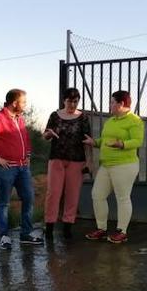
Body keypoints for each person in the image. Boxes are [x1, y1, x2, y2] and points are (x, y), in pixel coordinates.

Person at [0, 88, 43, 250]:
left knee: (28, 197)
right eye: (24, 102)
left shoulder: (19, 118)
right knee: (4, 203)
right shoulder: (0, 118)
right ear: (14, 103)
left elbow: (25, 137)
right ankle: (4, 236)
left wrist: (27, 154)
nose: (26, 105)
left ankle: (26, 234)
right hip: (5, 168)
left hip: (22, 167)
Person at [82, 90, 144, 243]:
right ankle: (101, 229)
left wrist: (122, 144)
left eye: (112, 102)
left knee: (122, 198)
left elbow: (137, 141)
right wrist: (94, 142)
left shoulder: (134, 120)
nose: (110, 105)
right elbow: (105, 139)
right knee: (97, 195)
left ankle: (122, 232)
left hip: (125, 165)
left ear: (121, 104)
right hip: (106, 165)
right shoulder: (111, 121)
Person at [42, 87, 92, 240]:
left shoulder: (83, 117)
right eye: (70, 101)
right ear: (64, 100)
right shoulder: (55, 116)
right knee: (53, 193)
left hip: (77, 160)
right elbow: (45, 135)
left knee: (72, 194)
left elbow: (88, 140)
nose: (72, 105)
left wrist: (89, 161)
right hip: (57, 158)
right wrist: (49, 134)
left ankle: (67, 227)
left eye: (75, 102)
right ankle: (49, 226)